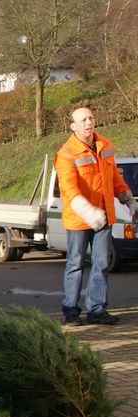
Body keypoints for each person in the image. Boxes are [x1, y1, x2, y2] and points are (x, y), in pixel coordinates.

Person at [55, 106, 138, 326]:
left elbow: (115, 179)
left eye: (90, 118)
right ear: (73, 126)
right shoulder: (66, 154)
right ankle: (71, 312)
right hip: (79, 219)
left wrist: (129, 200)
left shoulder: (105, 145)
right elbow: (69, 189)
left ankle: (97, 310)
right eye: (83, 120)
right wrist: (88, 211)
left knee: (101, 263)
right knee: (75, 264)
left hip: (104, 216)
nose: (88, 122)